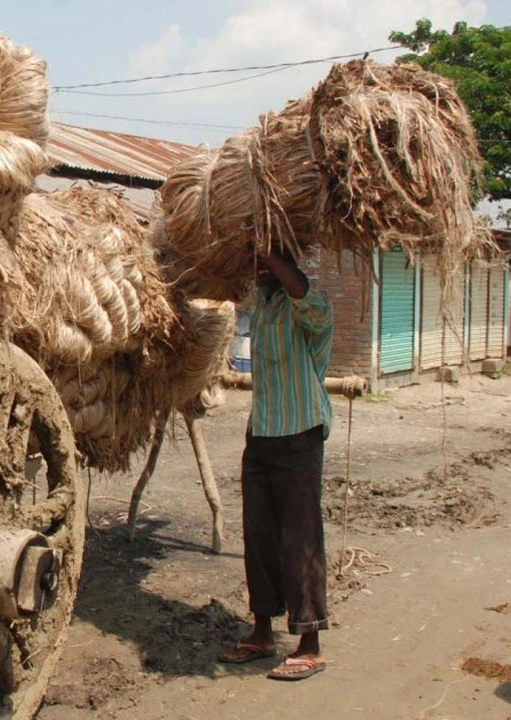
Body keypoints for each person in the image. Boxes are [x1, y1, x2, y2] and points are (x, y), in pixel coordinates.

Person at [220, 248, 333, 681]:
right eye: (259, 267)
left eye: (268, 266)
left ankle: (310, 643)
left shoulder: (309, 304)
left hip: (300, 434)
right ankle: (262, 631)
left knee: (300, 539)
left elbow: (306, 296)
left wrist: (271, 255)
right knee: (259, 535)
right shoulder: (262, 307)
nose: (261, 272)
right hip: (262, 434)